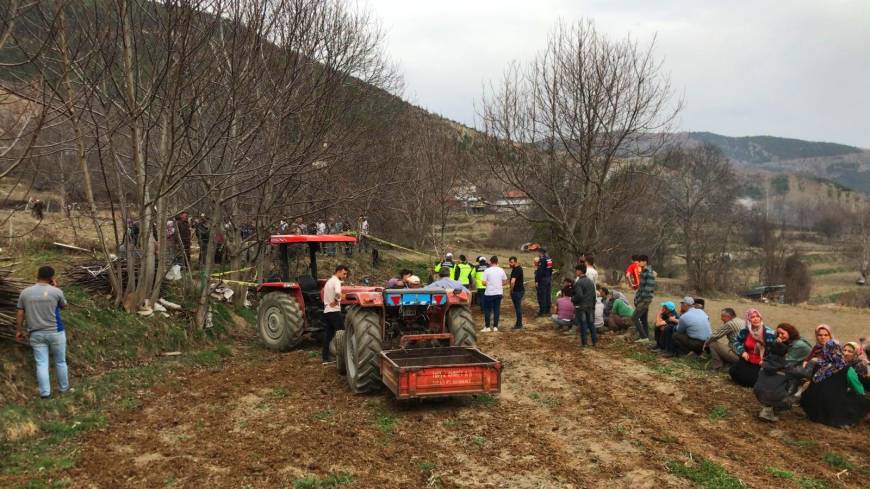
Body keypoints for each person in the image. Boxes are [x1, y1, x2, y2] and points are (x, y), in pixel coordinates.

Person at [15, 266, 70, 399]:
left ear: (37, 275)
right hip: (56, 332)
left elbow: (20, 312)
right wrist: (56, 288)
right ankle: (64, 389)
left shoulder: (25, 292)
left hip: (36, 333)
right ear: (52, 277)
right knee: (60, 361)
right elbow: (64, 306)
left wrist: (19, 330)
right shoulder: (56, 292)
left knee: (41, 363)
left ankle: (45, 394)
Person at [799, 340, 868, 427]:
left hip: (812, 410)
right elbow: (859, 390)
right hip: (831, 412)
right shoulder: (846, 368)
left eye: (849, 351)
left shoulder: (818, 364)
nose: (846, 353)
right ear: (839, 351)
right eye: (844, 350)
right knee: (862, 399)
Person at [754, 323, 812, 422]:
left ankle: (784, 402)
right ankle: (773, 404)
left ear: (790, 332)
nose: (780, 336)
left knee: (775, 377)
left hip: (798, 371)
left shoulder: (799, 345)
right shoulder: (788, 342)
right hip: (792, 369)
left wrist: (777, 347)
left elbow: (786, 362)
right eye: (778, 334)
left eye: (782, 333)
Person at [729, 308, 776, 387]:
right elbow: (736, 341)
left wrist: (765, 360)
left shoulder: (769, 332)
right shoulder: (745, 331)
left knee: (752, 380)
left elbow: (773, 350)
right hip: (748, 359)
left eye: (758, 316)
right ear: (748, 320)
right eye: (753, 317)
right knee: (733, 371)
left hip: (762, 362)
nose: (756, 319)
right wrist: (742, 351)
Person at [321, 265, 348, 364]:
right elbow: (337, 293)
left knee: (328, 335)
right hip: (334, 311)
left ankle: (325, 357)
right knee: (342, 334)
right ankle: (344, 359)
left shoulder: (328, 282)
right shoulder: (336, 281)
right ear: (339, 271)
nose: (345, 276)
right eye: (344, 273)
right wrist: (336, 301)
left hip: (327, 311)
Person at [572, 264, 597, 348]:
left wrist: (572, 299)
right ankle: (594, 342)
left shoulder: (578, 282)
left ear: (580, 271)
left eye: (576, 270)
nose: (576, 272)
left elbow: (579, 296)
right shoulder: (590, 282)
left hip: (581, 307)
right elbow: (594, 295)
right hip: (590, 306)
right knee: (591, 324)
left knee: (583, 325)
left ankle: (584, 344)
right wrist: (593, 306)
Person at [632, 255, 656, 343]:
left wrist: (639, 300)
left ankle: (643, 337)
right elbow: (640, 288)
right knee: (643, 319)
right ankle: (646, 338)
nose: (638, 263)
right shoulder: (643, 272)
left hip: (645, 300)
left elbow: (647, 290)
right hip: (642, 299)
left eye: (640, 261)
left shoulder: (649, 273)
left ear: (645, 262)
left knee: (634, 317)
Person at [481, 256, 508, 332]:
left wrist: (488, 284)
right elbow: (505, 281)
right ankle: (495, 327)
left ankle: (487, 327)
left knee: (487, 310)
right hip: (498, 292)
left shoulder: (487, 270)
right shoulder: (501, 270)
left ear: (490, 261)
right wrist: (499, 284)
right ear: (497, 261)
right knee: (497, 310)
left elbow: (483, 282)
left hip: (489, 293)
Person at [534, 248, 553, 316]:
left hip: (542, 280)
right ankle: (548, 310)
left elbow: (540, 272)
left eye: (538, 252)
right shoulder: (549, 259)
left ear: (541, 252)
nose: (538, 253)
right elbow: (551, 270)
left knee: (542, 295)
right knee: (548, 295)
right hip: (548, 278)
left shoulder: (542, 260)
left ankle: (542, 311)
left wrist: (537, 281)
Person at [508, 256, 525, 330]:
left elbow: (512, 281)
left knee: (518, 308)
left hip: (517, 291)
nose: (510, 264)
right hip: (520, 290)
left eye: (511, 262)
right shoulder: (518, 268)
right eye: (509, 262)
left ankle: (519, 324)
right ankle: (519, 323)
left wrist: (511, 290)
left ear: (515, 262)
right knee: (518, 307)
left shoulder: (516, 270)